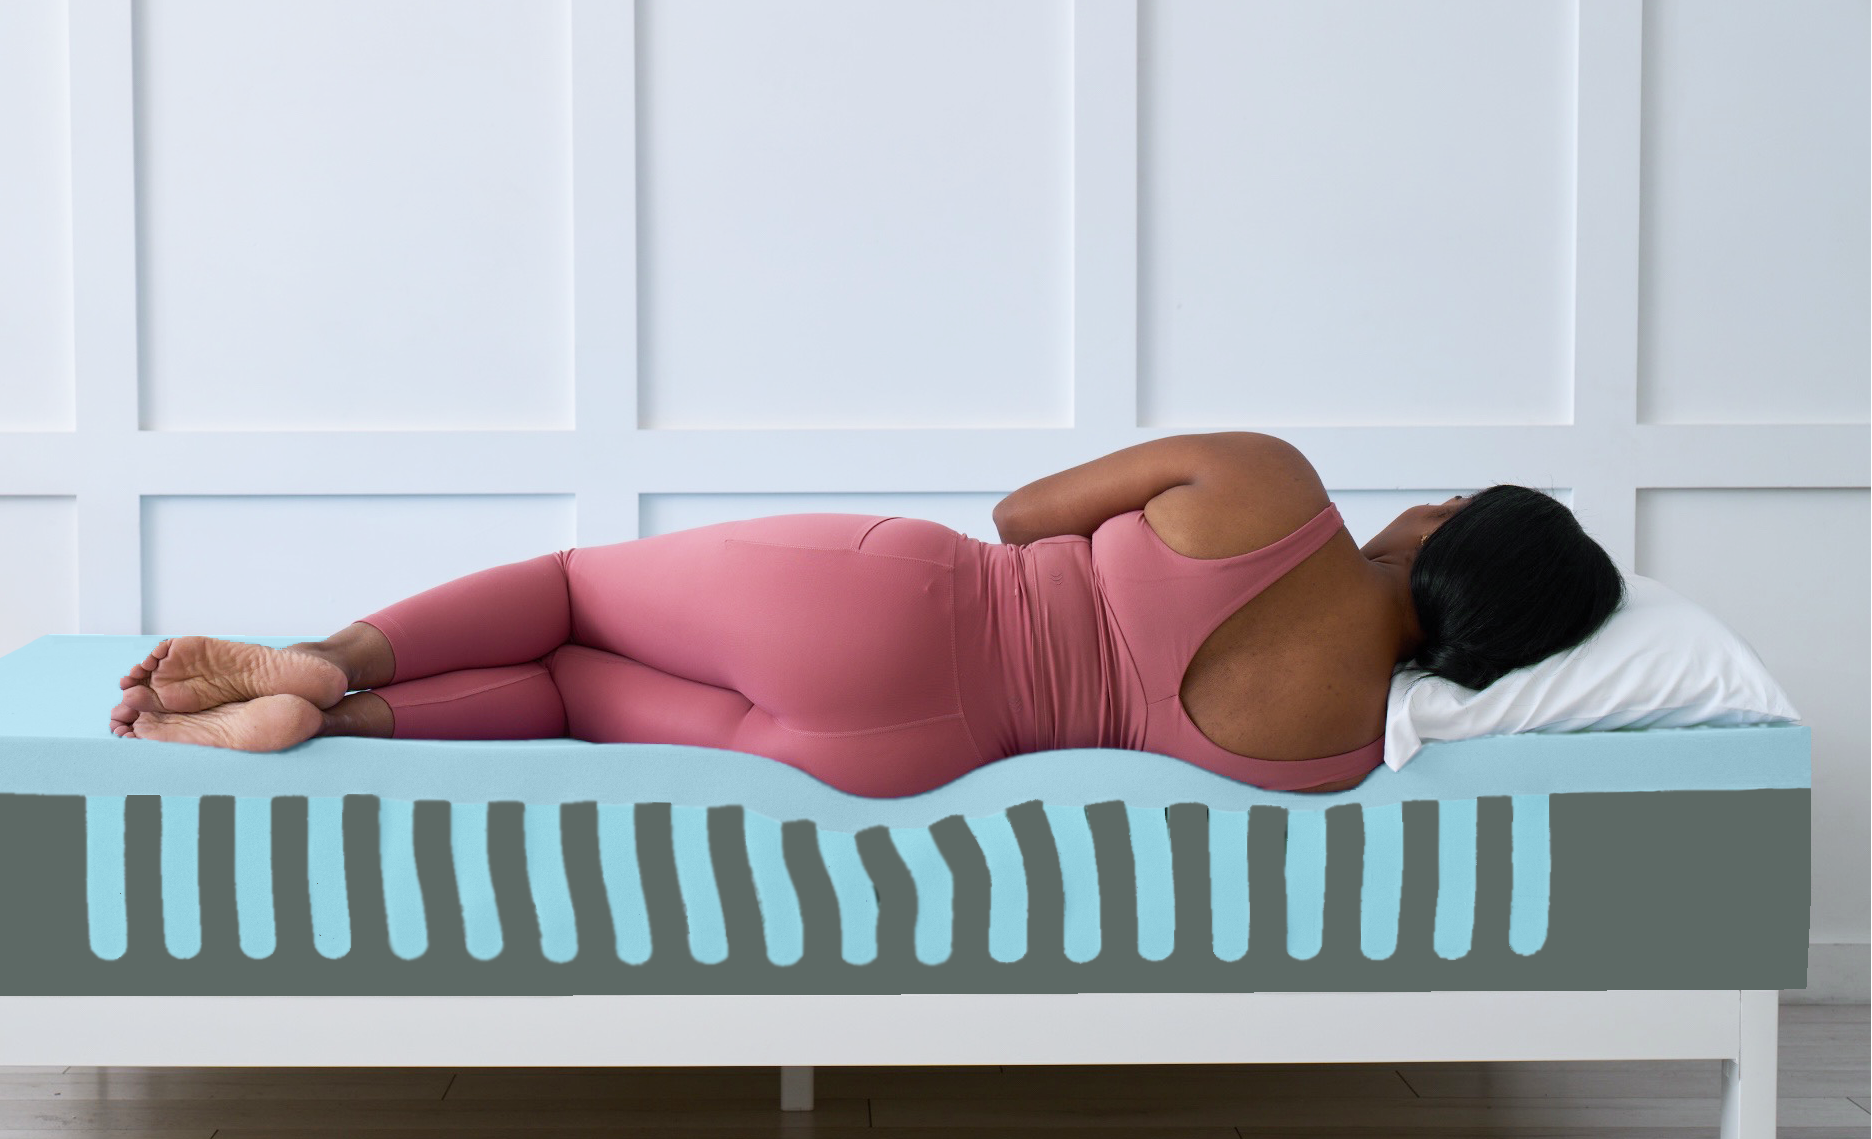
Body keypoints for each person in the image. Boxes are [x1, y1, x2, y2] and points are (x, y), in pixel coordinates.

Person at [108, 432, 1624, 798]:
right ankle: (340, 721)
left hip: (909, 610)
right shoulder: (1348, 748)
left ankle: (319, 661)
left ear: (1449, 526)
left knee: (574, 592)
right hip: (916, 752)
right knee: (573, 687)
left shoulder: (1274, 487)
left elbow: (1023, 516)